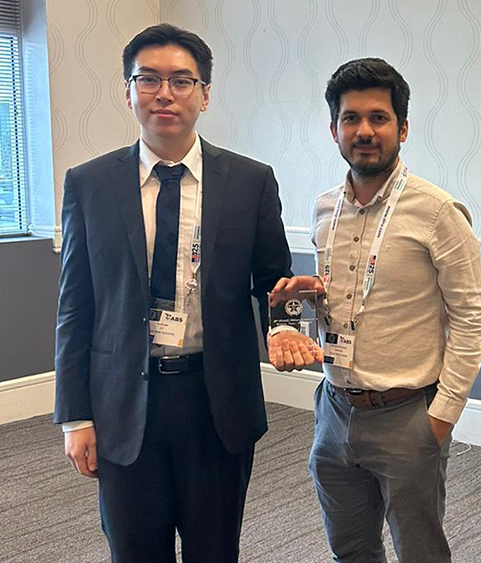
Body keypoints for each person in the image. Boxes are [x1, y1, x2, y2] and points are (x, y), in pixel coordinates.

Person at [54, 23, 302, 563]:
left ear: (205, 95)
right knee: (135, 551)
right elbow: (76, 306)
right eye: (148, 79)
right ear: (128, 90)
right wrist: (75, 416)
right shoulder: (89, 184)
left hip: (215, 401)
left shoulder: (250, 181)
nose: (164, 93)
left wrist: (285, 328)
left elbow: (275, 281)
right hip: (122, 401)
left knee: (215, 550)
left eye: (182, 81)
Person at [268, 58, 481, 562]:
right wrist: (309, 295)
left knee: (420, 552)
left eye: (379, 118)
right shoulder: (324, 209)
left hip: (408, 414)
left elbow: (471, 318)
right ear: (334, 129)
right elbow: (352, 299)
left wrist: (442, 418)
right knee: (349, 547)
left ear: (402, 128)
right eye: (351, 119)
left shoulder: (438, 213)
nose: (364, 131)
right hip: (335, 407)